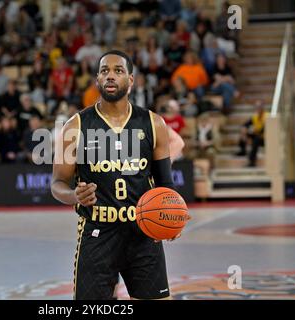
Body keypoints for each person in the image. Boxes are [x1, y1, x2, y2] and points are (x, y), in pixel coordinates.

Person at [51, 50, 181, 300]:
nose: (110, 76)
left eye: (118, 71)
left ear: (130, 80)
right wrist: (74, 196)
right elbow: (57, 183)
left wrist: (172, 214)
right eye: (104, 71)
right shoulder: (76, 126)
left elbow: (165, 183)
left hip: (143, 232)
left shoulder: (153, 124)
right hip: (98, 233)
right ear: (97, 80)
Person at [235, 100, 267, 167]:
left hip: (264, 139)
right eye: (256, 107)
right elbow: (245, 124)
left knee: (256, 140)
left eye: (259, 107)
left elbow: (262, 130)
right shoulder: (255, 117)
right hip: (257, 135)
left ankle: (252, 161)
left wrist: (252, 132)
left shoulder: (266, 116)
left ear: (262, 108)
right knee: (243, 131)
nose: (257, 109)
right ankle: (243, 150)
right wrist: (244, 130)